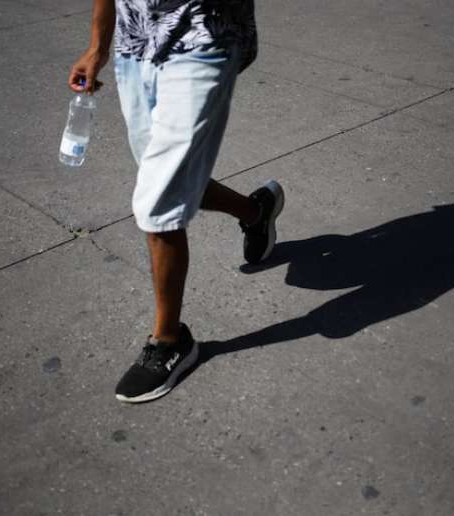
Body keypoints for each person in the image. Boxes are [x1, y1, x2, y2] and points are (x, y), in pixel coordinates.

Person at [68, 0, 284, 403]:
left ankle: (170, 341)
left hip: (202, 36)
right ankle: (257, 212)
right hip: (135, 43)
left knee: (157, 204)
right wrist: (98, 46)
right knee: (169, 179)